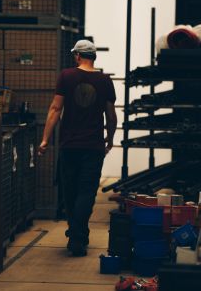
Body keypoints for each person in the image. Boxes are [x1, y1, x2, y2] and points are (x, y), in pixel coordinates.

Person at [38, 39, 117, 256]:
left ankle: (76, 235)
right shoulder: (104, 81)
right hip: (93, 145)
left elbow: (55, 109)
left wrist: (45, 139)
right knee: (87, 192)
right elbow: (111, 116)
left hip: (69, 145)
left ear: (77, 56)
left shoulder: (66, 76)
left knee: (71, 192)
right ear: (93, 57)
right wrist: (109, 138)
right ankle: (78, 236)